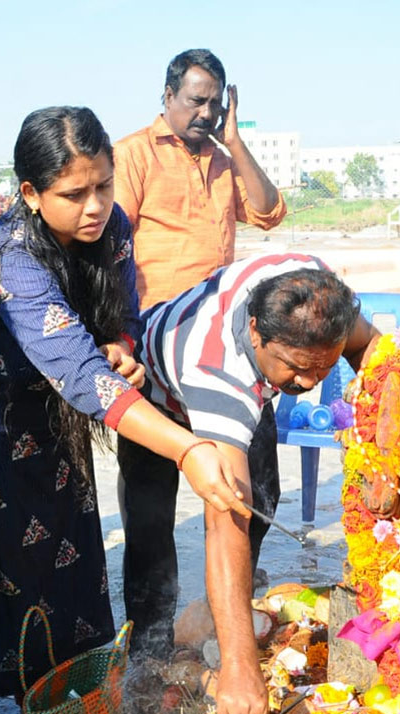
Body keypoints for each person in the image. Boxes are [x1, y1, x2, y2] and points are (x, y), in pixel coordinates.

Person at [0, 106, 271, 710]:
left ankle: (69, 693)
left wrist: (124, 345)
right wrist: (188, 448)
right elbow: (80, 373)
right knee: (5, 562)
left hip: (53, 411)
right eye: (73, 193)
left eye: (103, 185)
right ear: (29, 193)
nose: (95, 205)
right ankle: (22, 701)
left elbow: (125, 311)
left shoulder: (115, 229)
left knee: (66, 553)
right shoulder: (9, 259)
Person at [136, 253, 378, 714]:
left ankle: (222, 615)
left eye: (322, 369)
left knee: (263, 498)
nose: (309, 386)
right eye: (297, 370)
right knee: (153, 531)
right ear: (255, 332)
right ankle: (149, 663)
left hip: (251, 379)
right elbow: (226, 523)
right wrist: (241, 670)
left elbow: (372, 348)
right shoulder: (219, 377)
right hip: (153, 391)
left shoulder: (318, 301)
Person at [113, 48, 286, 657]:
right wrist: (116, 336)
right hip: (153, 355)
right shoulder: (133, 155)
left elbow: (267, 211)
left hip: (223, 351)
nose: (207, 113)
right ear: (167, 94)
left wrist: (235, 142)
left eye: (216, 103)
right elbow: (109, 247)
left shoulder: (221, 156)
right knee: (151, 507)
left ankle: (228, 606)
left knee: (260, 487)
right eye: (196, 100)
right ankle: (153, 644)